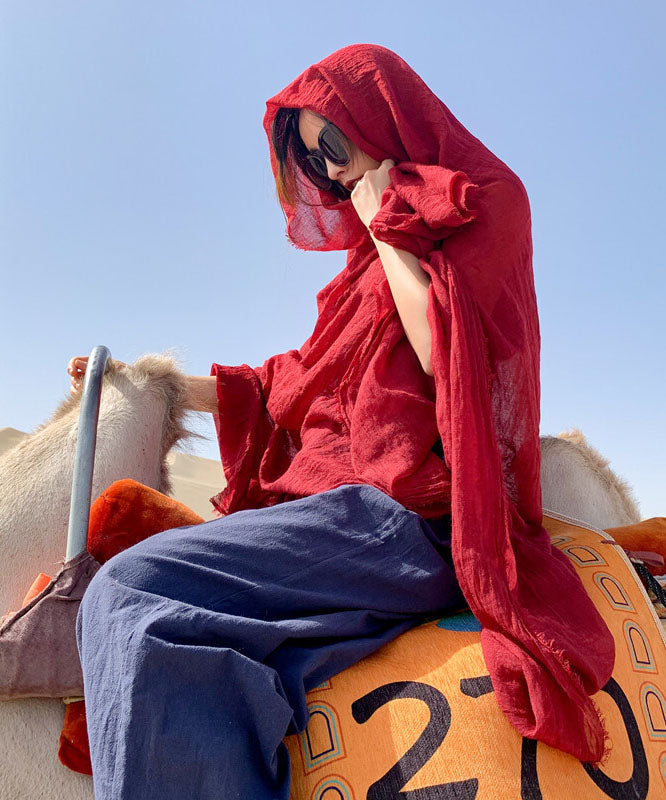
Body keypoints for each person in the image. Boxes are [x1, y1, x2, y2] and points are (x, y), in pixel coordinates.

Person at [70, 44, 614, 800]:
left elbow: (445, 356)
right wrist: (149, 383)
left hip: (403, 511)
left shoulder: (483, 198)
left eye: (334, 143)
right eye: (309, 157)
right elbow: (288, 383)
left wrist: (388, 228)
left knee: (129, 592)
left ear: (381, 114)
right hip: (333, 506)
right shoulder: (364, 266)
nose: (328, 172)